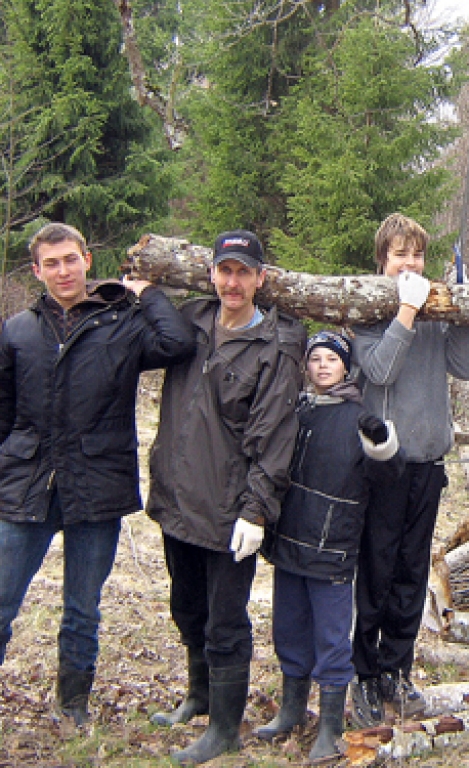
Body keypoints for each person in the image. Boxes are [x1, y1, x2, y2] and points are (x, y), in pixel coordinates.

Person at [0, 223, 194, 725]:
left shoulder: (122, 323)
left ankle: (72, 707)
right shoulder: (18, 331)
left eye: (71, 259)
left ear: (87, 260)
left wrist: (146, 292)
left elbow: (178, 343)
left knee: (82, 609)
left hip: (96, 484)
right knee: (1, 602)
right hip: (27, 485)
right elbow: (3, 413)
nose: (63, 271)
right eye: (51, 263)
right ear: (37, 271)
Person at [146, 230, 305, 765]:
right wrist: (143, 290)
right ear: (211, 273)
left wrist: (256, 511)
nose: (232, 282)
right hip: (177, 499)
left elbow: (274, 437)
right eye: (225, 270)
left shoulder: (274, 348)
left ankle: (225, 727)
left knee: (225, 622)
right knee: (186, 607)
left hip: (229, 511)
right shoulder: (190, 322)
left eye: (243, 272)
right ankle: (199, 694)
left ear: (261, 278)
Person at [349, 213, 469, 727]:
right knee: (375, 570)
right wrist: (405, 310)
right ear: (382, 260)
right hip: (384, 464)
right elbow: (379, 370)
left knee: (410, 571)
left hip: (429, 462)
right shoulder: (366, 308)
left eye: (417, 255)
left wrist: (463, 310)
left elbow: (465, 368)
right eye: (400, 254)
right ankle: (362, 674)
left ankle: (396, 671)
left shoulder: (434, 308)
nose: (410, 263)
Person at [256, 330, 405, 761]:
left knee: (332, 638)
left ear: (346, 367)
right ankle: (291, 709)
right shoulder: (297, 410)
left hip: (332, 548)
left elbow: (390, 476)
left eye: (332, 359)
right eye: (316, 358)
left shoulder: (360, 418)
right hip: (289, 543)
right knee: (289, 629)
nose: (323, 366)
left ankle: (330, 726)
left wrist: (382, 443)